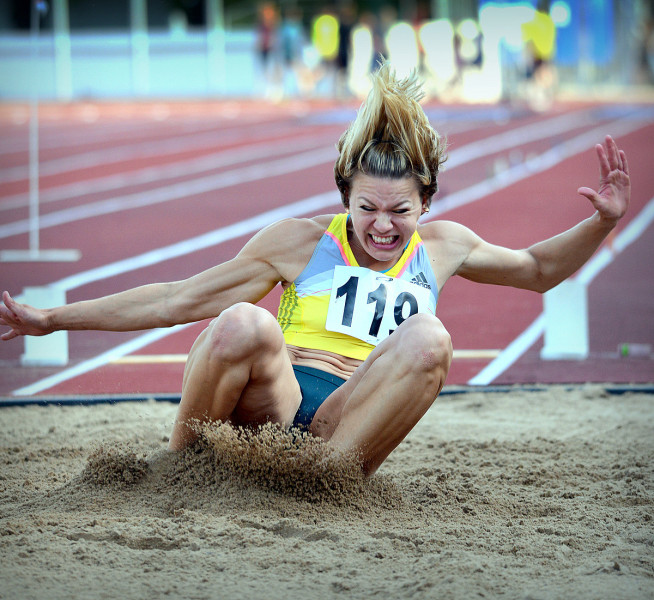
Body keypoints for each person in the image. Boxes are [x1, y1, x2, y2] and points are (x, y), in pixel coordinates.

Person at [0, 63, 630, 476]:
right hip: (277, 403)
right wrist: (51, 319)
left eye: (400, 211)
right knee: (245, 321)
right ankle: (179, 472)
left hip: (352, 421)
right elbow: (176, 300)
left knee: (432, 337)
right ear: (344, 199)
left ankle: (329, 488)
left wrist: (601, 222)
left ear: (427, 203)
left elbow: (540, 268)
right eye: (367, 209)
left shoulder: (445, 246)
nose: (383, 226)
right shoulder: (299, 244)